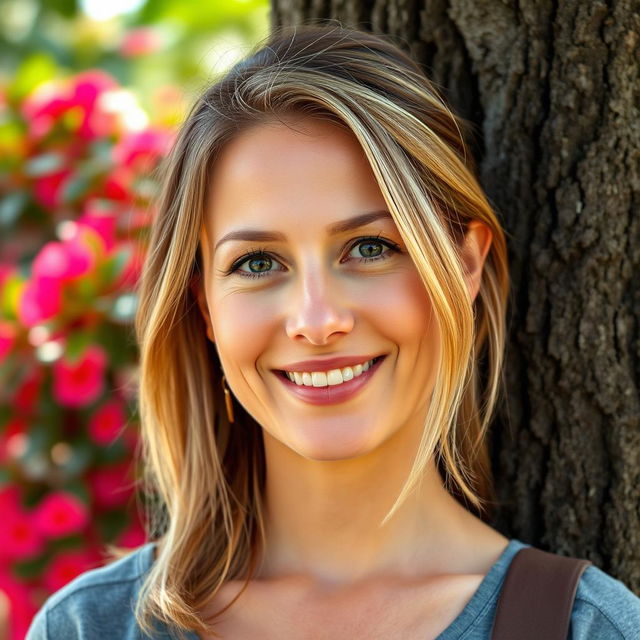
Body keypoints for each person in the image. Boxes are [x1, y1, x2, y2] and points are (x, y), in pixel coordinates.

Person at [26, 23, 640, 640]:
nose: (317, 321)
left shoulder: (587, 629)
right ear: (205, 307)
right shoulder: (88, 627)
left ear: (464, 265)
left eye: (370, 247)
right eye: (258, 263)